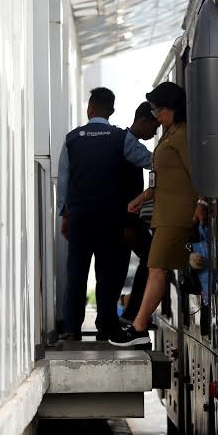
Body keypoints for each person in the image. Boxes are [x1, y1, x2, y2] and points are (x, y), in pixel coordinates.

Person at [109, 81, 206, 347]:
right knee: (156, 268)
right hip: (163, 213)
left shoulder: (183, 135)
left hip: (177, 214)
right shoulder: (168, 133)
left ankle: (138, 329)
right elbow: (158, 176)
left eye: (158, 111)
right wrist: (141, 198)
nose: (155, 117)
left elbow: (198, 174)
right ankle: (137, 327)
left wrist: (202, 203)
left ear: (172, 108)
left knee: (157, 269)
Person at [57, 87, 152, 341]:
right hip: (110, 218)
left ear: (90, 108)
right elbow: (151, 161)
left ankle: (71, 329)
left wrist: (64, 214)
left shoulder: (72, 139)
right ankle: (106, 326)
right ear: (111, 110)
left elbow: (64, 180)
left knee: (76, 271)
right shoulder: (120, 138)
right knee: (106, 273)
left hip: (79, 217)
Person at [119, 102, 160, 325]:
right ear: (143, 121)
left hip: (130, 219)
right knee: (152, 259)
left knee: (147, 260)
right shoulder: (128, 143)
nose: (154, 132)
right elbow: (154, 161)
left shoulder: (126, 142)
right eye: (153, 127)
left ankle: (132, 312)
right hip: (128, 220)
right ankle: (132, 313)